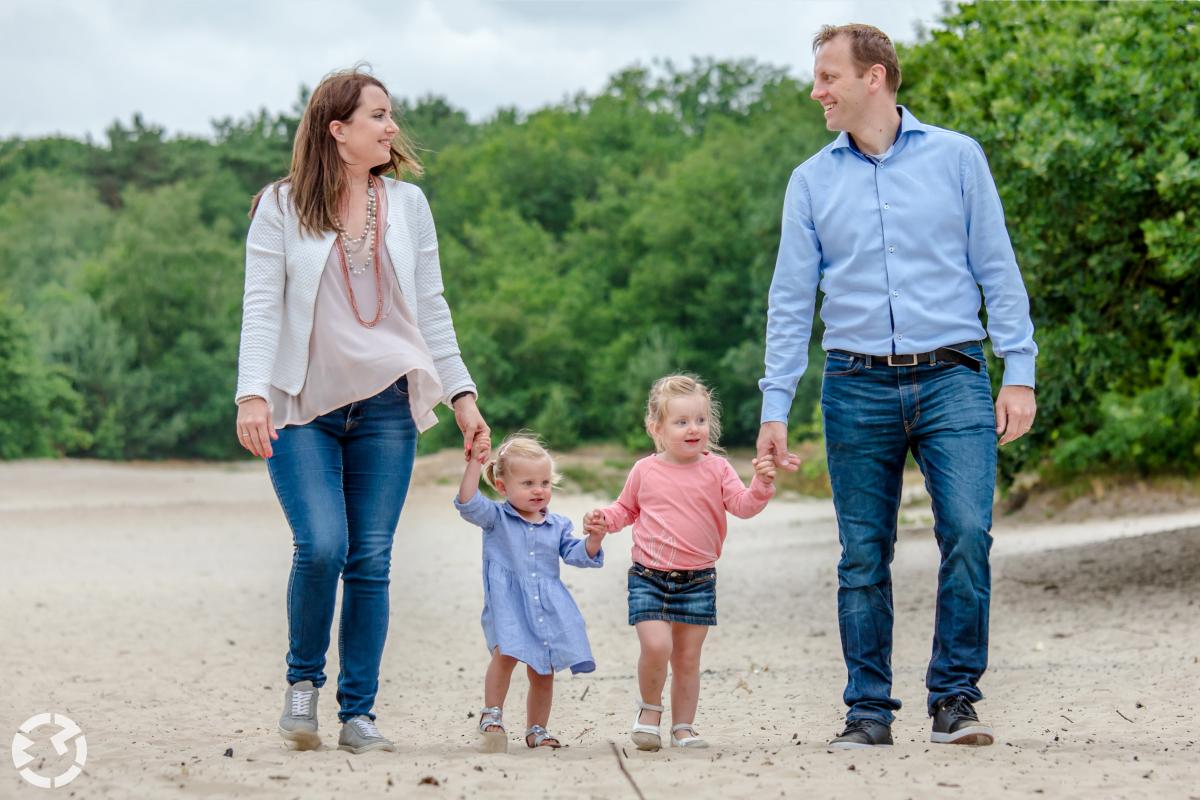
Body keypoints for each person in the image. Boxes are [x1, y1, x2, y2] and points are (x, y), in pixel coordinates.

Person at [757, 24, 1038, 749]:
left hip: (954, 377)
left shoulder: (957, 158)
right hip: (855, 386)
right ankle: (868, 711)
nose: (816, 91)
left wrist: (1020, 373)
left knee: (969, 533)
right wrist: (774, 405)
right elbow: (790, 301)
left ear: (873, 78)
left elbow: (997, 270)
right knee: (862, 553)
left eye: (828, 77)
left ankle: (954, 700)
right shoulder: (810, 179)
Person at [234, 67, 489, 754]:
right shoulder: (280, 207)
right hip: (303, 406)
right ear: (336, 129)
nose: (392, 126)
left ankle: (358, 715)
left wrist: (462, 397)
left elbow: (431, 309)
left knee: (370, 560)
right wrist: (251, 393)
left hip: (384, 409)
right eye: (377, 115)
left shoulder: (407, 206)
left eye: (391, 115)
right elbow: (261, 307)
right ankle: (301, 684)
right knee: (321, 547)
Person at [584, 375, 777, 750]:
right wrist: (604, 519)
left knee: (688, 659)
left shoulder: (717, 469)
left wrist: (761, 485)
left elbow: (743, 505)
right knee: (657, 646)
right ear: (656, 427)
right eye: (682, 422)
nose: (694, 429)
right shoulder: (645, 470)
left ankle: (683, 727)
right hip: (648, 576)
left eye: (701, 421)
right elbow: (626, 509)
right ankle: (649, 712)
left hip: (699, 578)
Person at [454, 432, 606, 752]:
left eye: (545, 483)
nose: (539, 490)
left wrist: (593, 539)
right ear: (502, 487)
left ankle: (537, 729)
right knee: (506, 653)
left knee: (543, 669)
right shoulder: (496, 518)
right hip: (509, 602)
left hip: (547, 606)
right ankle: (491, 714)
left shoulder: (558, 525)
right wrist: (473, 465)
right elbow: (467, 503)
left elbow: (577, 555)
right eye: (528, 484)